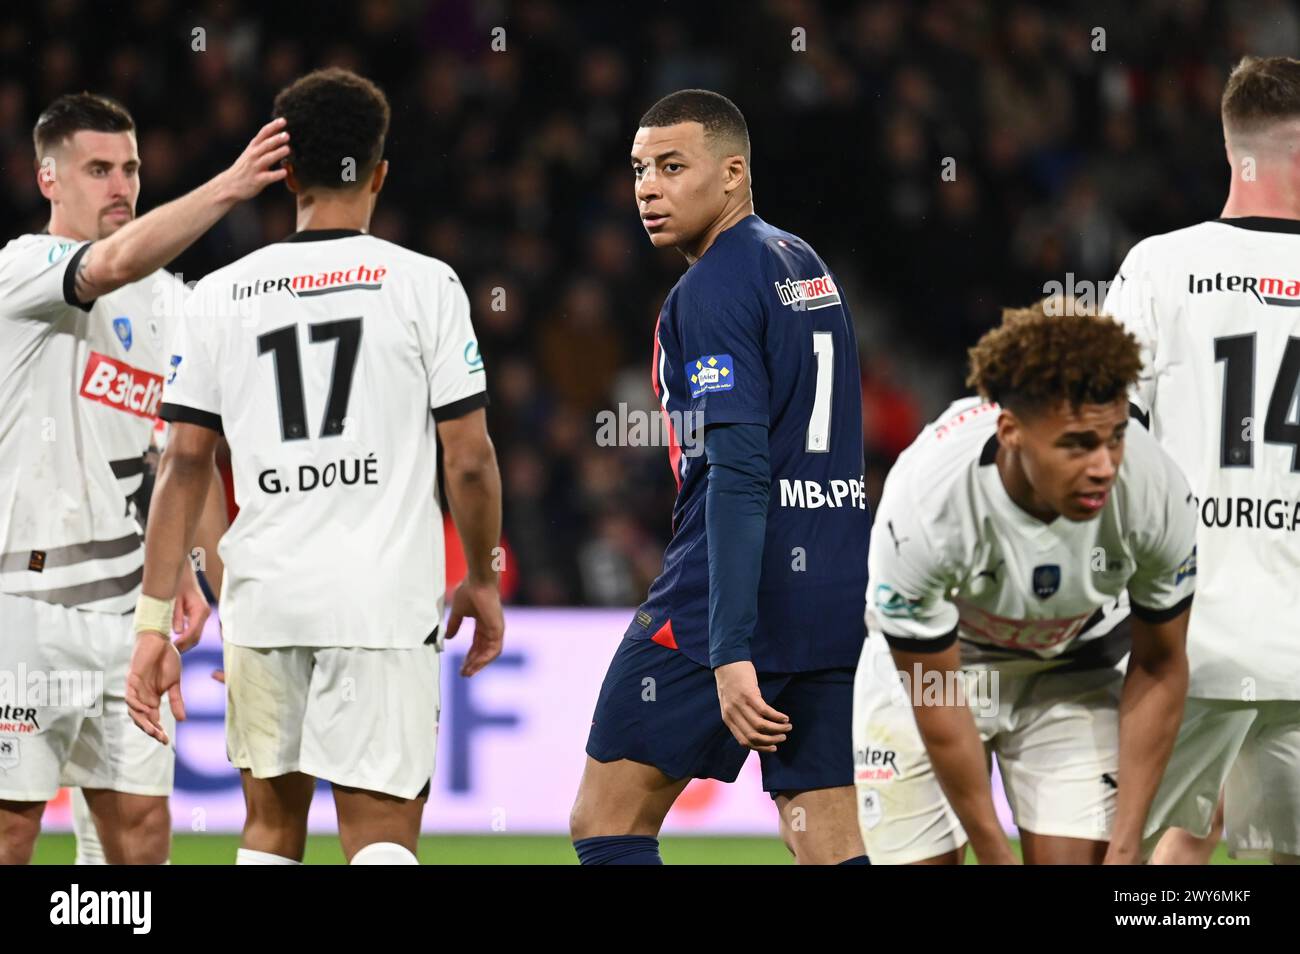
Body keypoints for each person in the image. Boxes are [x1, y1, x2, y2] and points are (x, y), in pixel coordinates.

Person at [125, 68, 505, 865]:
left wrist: (154, 622)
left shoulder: (218, 294)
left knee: (268, 835)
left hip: (265, 603)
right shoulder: (425, 285)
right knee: (380, 839)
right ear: (380, 172)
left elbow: (183, 465)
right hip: (381, 600)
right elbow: (467, 460)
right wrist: (482, 575)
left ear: (286, 172)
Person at [570, 90, 872, 865]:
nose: (648, 188)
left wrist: (731, 647)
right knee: (826, 839)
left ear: (733, 173)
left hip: (723, 594)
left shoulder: (707, 291)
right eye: (640, 170)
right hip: (832, 583)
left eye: (673, 167)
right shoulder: (804, 263)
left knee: (607, 820)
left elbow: (738, 476)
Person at [0, 92, 284, 865]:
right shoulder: (24, 270)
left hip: (128, 615)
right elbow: (114, 262)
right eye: (97, 169)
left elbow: (181, 463)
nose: (120, 184)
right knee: (11, 830)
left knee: (140, 837)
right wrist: (230, 186)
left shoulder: (172, 305)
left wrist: (207, 582)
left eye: (129, 167)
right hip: (23, 609)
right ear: (47, 178)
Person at [854, 300, 1197, 864]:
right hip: (939, 675)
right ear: (1010, 431)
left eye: (1113, 438)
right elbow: (933, 691)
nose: (1105, 466)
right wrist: (994, 851)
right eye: (1077, 444)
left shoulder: (1156, 489)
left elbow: (1161, 665)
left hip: (1069, 672)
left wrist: (1128, 844)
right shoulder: (927, 501)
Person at [1105, 54, 1300, 865]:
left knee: (1156, 860)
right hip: (1294, 644)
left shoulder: (1160, 265)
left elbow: (1103, 439)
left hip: (1180, 642)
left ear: (1234, 149)